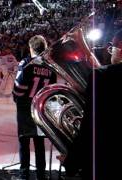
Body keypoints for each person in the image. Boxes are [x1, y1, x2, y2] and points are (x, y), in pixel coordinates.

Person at [64, 29, 122, 180]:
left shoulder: (102, 76)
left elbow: (91, 126)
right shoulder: (102, 75)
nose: (110, 53)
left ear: (120, 47)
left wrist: (72, 161)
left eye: (112, 49)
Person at [12, 35, 57, 180]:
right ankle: (41, 175)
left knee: (24, 141)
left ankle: (24, 175)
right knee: (39, 143)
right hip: (40, 108)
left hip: (25, 108)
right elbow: (51, 90)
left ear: (31, 48)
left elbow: (19, 86)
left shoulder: (26, 63)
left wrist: (16, 97)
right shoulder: (50, 67)